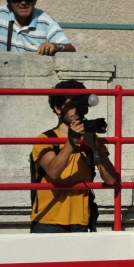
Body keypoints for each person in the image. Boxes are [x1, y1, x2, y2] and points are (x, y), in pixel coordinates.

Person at [30, 80, 116, 233]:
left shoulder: (91, 139)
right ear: (58, 109)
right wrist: (72, 141)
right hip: (47, 221)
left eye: (80, 104)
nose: (76, 110)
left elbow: (111, 179)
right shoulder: (45, 140)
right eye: (71, 105)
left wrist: (94, 146)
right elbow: (54, 173)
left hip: (80, 221)